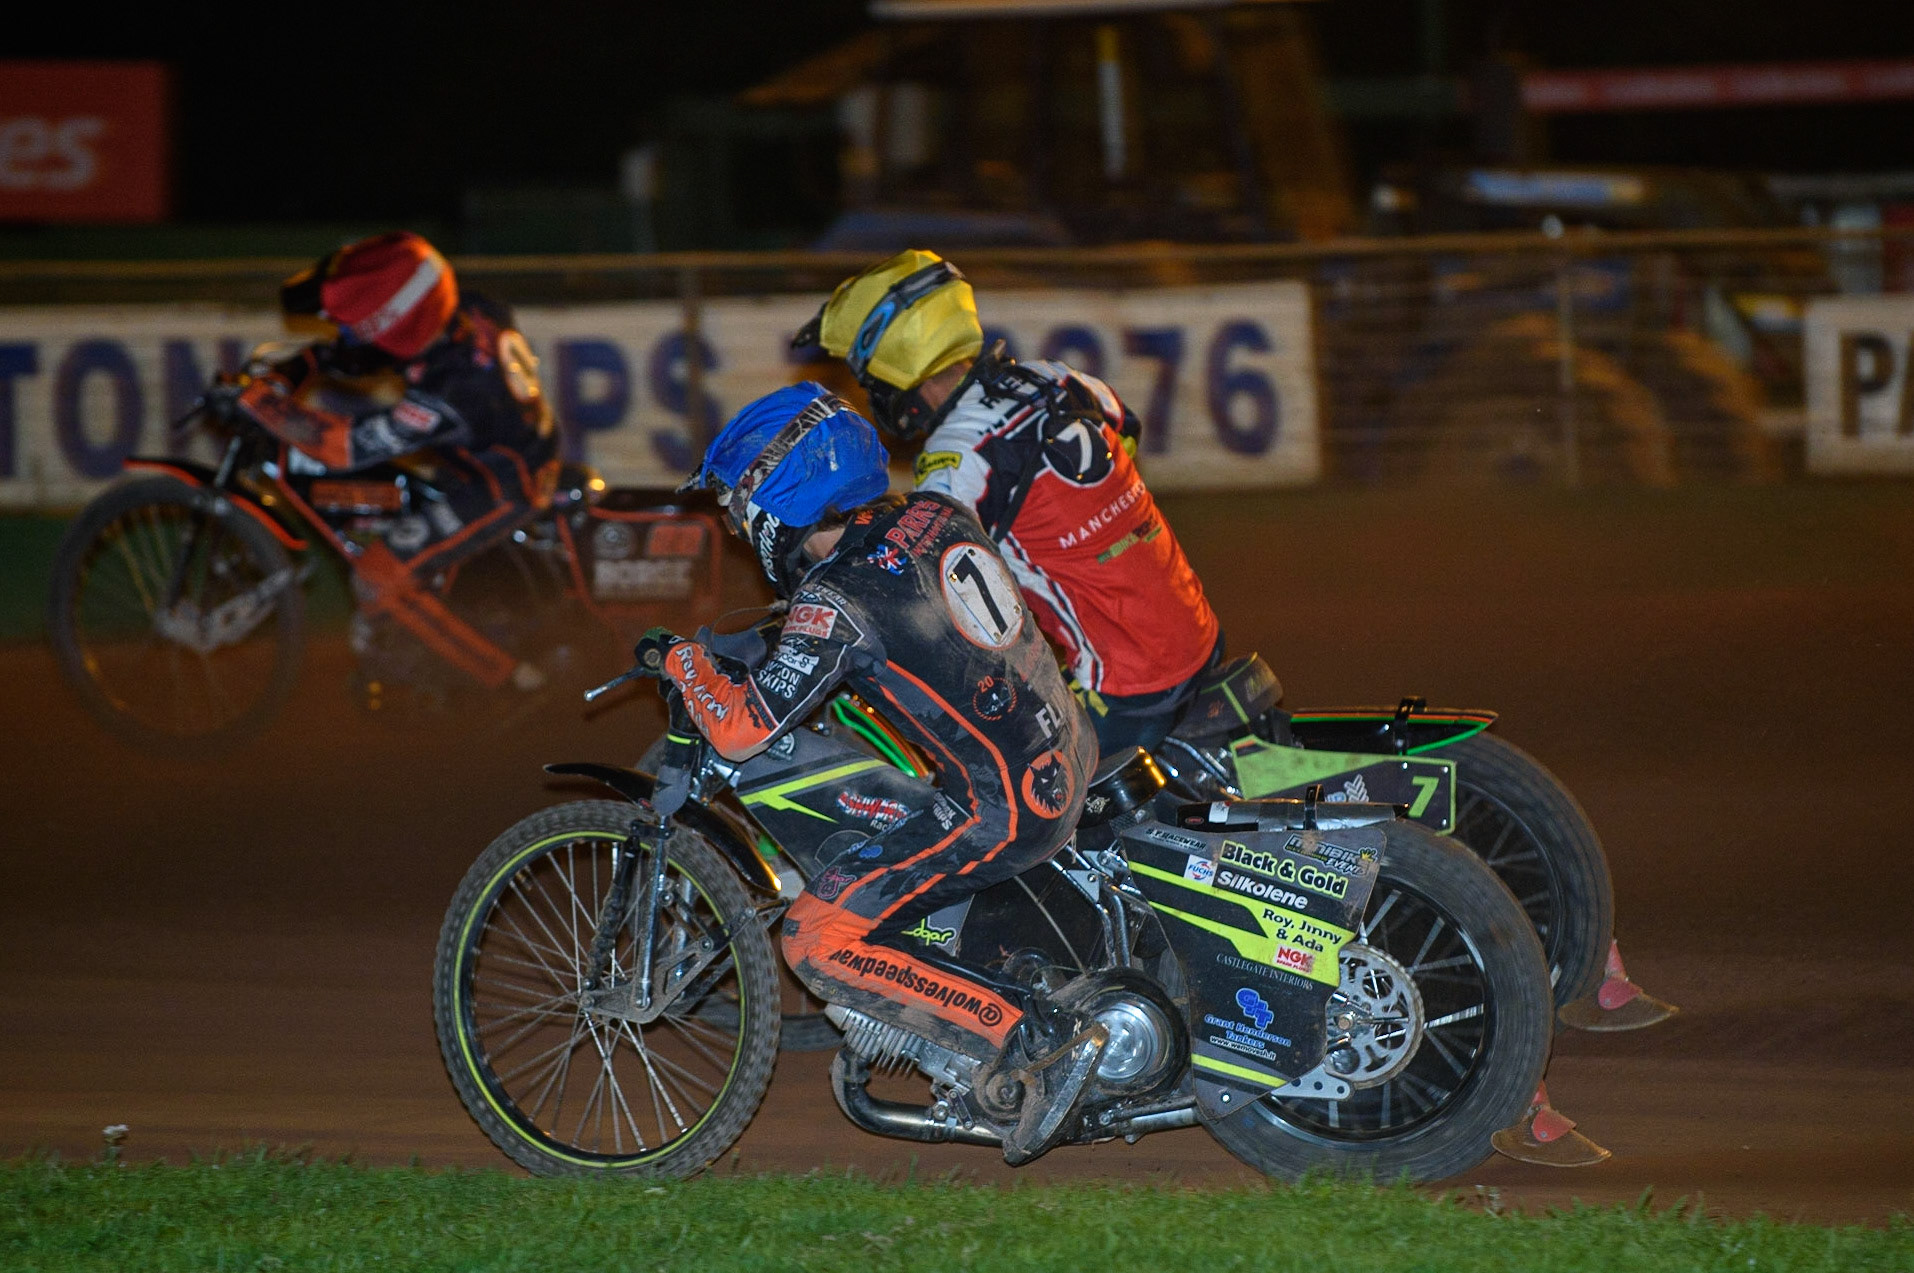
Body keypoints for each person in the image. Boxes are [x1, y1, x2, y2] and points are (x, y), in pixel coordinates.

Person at [661, 381, 1106, 1165]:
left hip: (1007, 810)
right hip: (1070, 747)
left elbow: (737, 729)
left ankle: (1034, 1037)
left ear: (781, 492)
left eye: (739, 507)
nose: (737, 527)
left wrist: (682, 658)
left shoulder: (838, 599)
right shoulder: (932, 514)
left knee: (815, 937)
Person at [794, 250, 1224, 757]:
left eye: (867, 376)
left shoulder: (957, 453)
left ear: (894, 362)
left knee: (997, 778)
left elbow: (922, 577)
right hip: (1194, 630)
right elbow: (1125, 431)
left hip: (1129, 681)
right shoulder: (1054, 377)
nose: (870, 390)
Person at [212, 230, 558, 690]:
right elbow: (362, 355)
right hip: (495, 449)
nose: (350, 335)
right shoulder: (469, 309)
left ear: (403, 325)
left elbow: (343, 447)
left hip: (503, 486)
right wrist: (305, 364)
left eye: (361, 328)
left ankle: (514, 680)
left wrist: (263, 405)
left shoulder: (449, 393)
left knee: (377, 575)